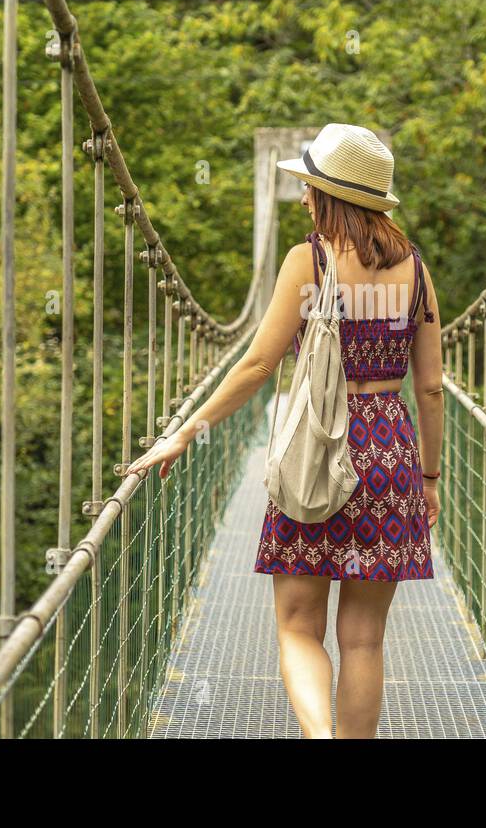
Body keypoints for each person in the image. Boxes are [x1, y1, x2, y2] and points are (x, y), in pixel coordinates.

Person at [125, 122, 443, 738]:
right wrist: (429, 477)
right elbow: (429, 388)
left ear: (330, 195)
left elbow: (258, 364)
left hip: (316, 448)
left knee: (299, 627)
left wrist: (185, 432)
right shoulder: (417, 272)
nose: (302, 199)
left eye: (310, 188)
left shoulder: (309, 260)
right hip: (390, 454)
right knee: (364, 641)